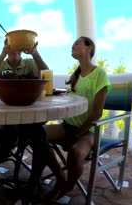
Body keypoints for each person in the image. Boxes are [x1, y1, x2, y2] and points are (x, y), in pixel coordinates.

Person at [43, 36, 111, 202]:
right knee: (36, 134)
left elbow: (97, 114)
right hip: (68, 126)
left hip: (89, 131)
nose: (72, 46)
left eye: (77, 43)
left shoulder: (99, 74)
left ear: (89, 48)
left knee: (75, 152)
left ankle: (67, 185)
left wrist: (77, 134)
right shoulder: (76, 75)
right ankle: (60, 177)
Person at [0, 39, 49, 189]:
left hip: (29, 115)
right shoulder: (2, 65)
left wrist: (35, 54)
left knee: (38, 136)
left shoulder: (30, 63)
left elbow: (46, 74)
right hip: (7, 117)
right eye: (11, 44)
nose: (15, 48)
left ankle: (33, 184)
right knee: (11, 136)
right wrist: (2, 54)